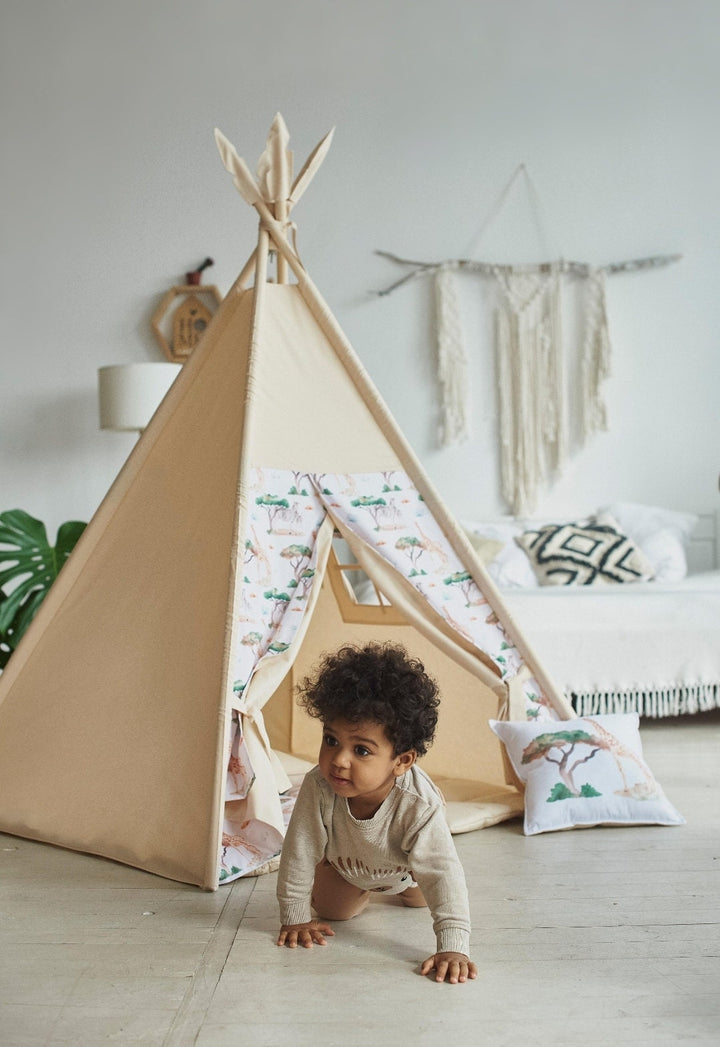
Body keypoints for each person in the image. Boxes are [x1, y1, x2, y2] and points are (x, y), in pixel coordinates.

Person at [276, 641, 477, 984]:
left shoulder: (418, 803)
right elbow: (299, 849)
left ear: (401, 762)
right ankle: (353, 886)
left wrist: (453, 945)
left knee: (423, 897)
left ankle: (406, 890)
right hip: (348, 868)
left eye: (361, 750)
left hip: (408, 870)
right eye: (331, 740)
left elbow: (442, 873)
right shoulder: (319, 787)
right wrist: (294, 916)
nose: (339, 760)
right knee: (332, 912)